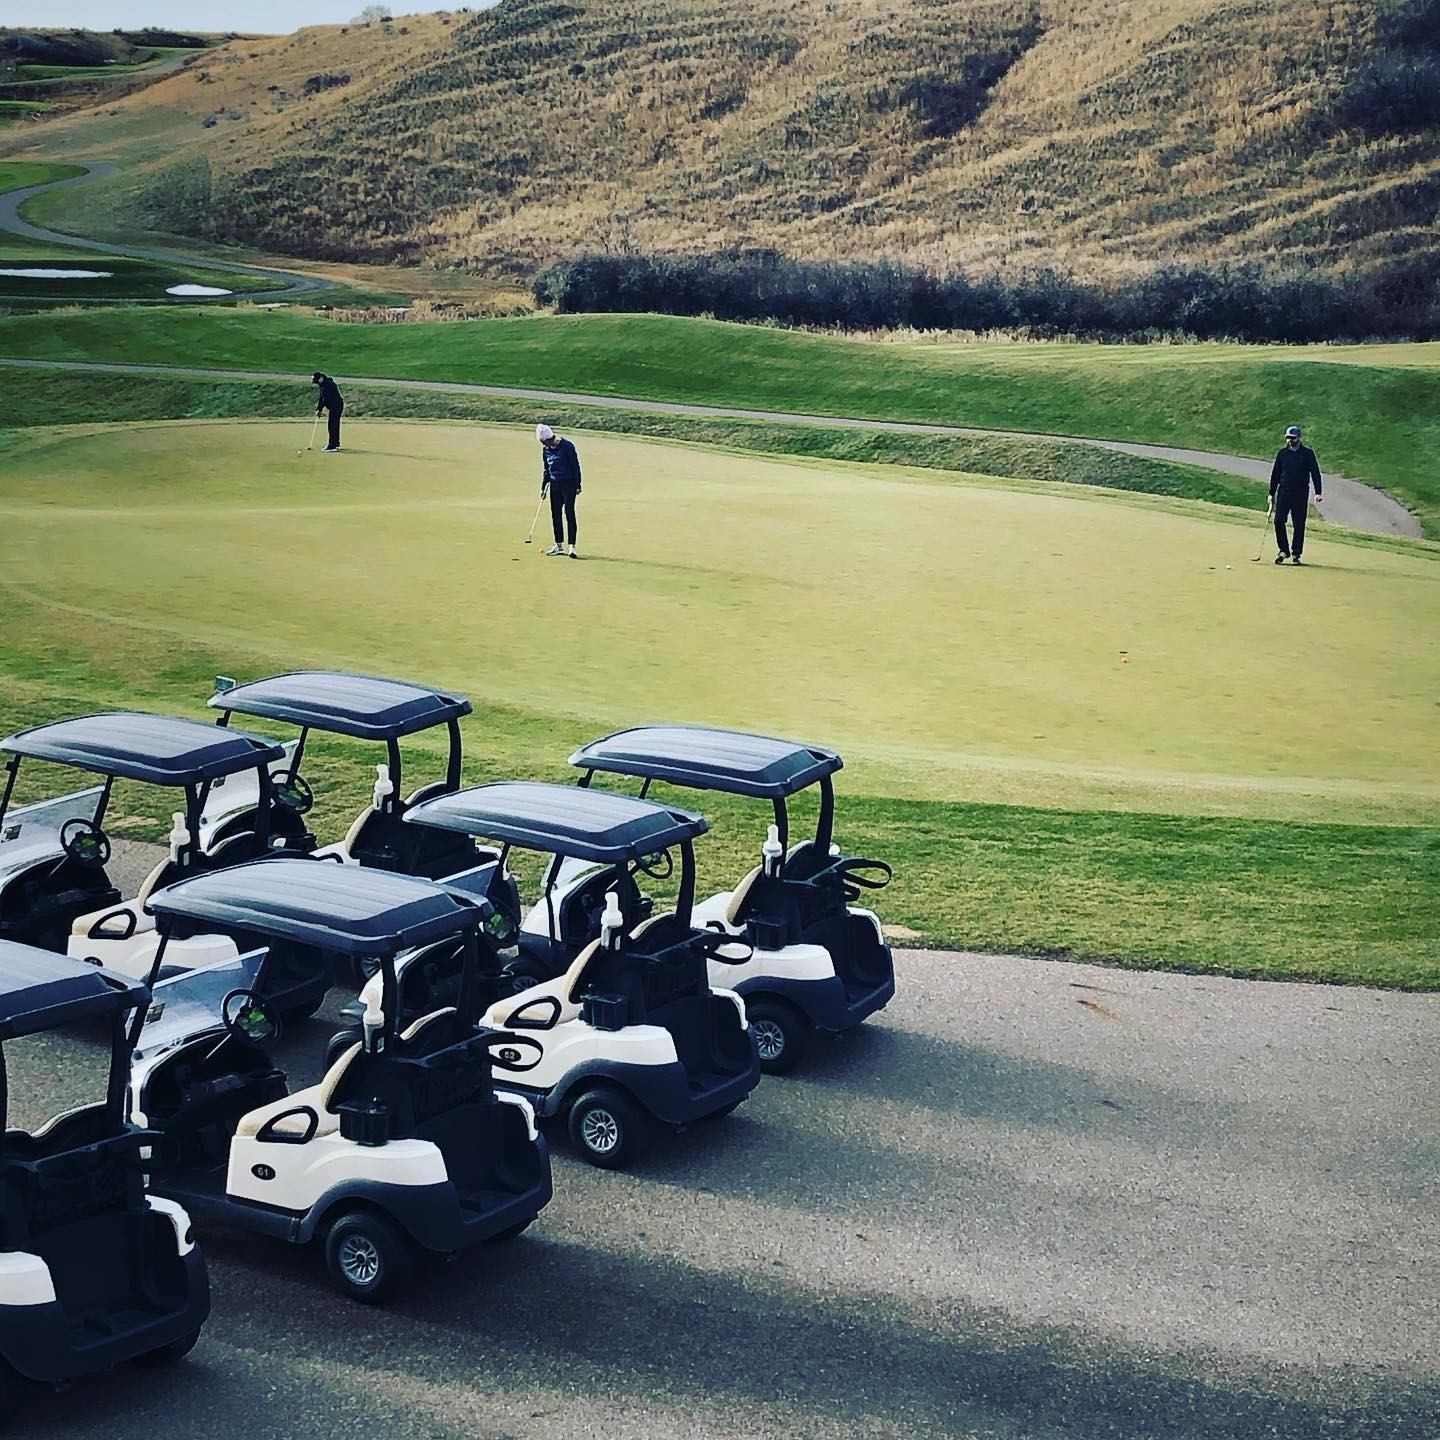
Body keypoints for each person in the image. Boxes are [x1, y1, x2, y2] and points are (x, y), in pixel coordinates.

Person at [1269, 424, 1322, 564]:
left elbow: (1315, 473)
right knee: (1278, 520)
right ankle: (1284, 550)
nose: (1290, 441)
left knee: (1299, 524)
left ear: (1298, 438)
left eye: (1292, 438)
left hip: (1300, 493)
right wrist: (1271, 493)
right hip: (1284, 492)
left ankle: (1296, 554)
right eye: (1288, 438)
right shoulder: (1282, 454)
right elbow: (1275, 474)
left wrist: (1318, 492)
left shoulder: (1307, 454)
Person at [537, 423, 582, 558]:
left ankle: (572, 547)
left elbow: (575, 466)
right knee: (555, 514)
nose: (544, 445)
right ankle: (559, 545)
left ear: (550, 438)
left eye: (544, 441)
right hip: (554, 484)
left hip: (569, 484)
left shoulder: (567, 447)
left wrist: (578, 484)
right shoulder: (546, 450)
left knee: (569, 512)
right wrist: (543, 487)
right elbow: (546, 469)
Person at [312, 372, 344, 452]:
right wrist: (318, 409)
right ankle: (336, 443)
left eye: (317, 381)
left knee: (332, 425)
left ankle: (332, 445)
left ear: (320, 378)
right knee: (334, 424)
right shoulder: (323, 384)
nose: (317, 384)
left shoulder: (328, 385)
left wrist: (320, 409)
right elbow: (321, 397)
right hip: (335, 406)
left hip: (336, 406)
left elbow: (325, 399)